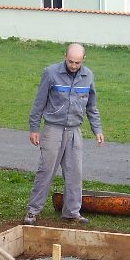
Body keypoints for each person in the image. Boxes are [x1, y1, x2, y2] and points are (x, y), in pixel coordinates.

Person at [24, 43, 103, 225]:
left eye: (77, 62)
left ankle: (72, 212)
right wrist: (34, 128)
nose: (73, 65)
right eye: (70, 61)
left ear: (84, 59)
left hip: (75, 130)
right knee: (46, 171)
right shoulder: (51, 73)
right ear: (64, 56)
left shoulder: (88, 76)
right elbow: (39, 102)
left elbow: (92, 106)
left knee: (75, 172)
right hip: (53, 129)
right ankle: (33, 211)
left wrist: (97, 129)